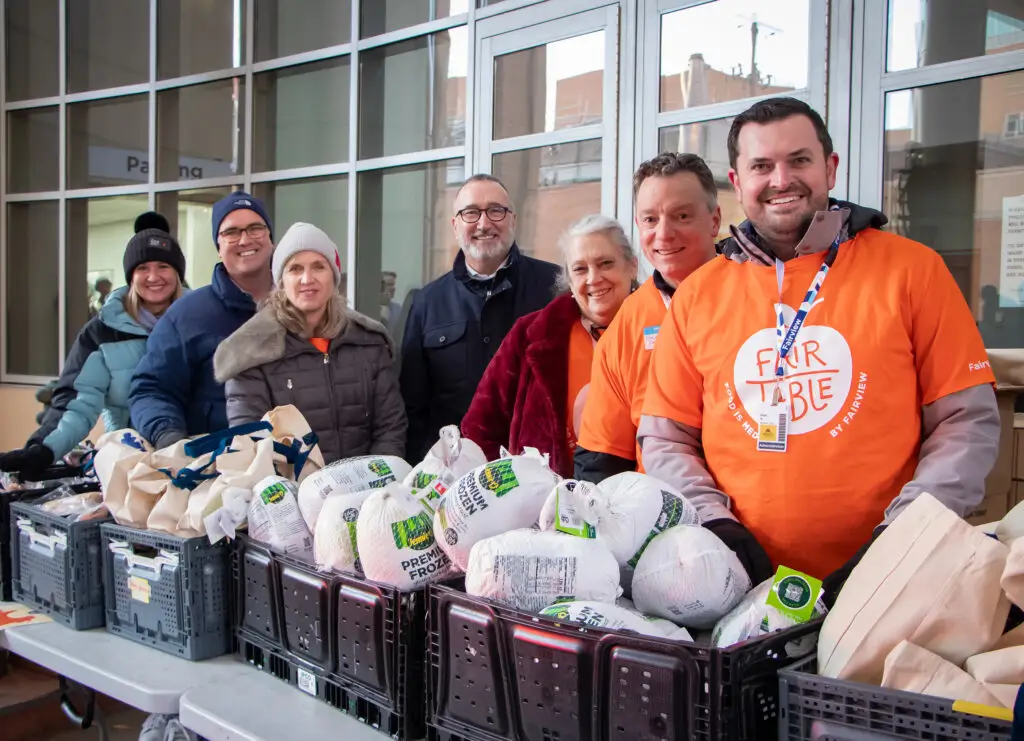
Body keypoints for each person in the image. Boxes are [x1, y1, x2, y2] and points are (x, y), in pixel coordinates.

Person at [638, 97, 999, 603]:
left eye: (799, 160)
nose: (781, 179)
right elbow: (665, 439)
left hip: (889, 584)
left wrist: (906, 534)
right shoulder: (699, 293)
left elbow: (965, 421)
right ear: (738, 183)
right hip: (736, 587)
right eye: (762, 166)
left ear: (829, 168)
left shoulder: (912, 271)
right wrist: (717, 528)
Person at [0, 215, 186, 474]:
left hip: (193, 457)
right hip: (129, 462)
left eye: (163, 266)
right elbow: (78, 402)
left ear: (177, 273)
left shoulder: (199, 320)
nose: (153, 276)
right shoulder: (102, 331)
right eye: (143, 267)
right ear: (131, 275)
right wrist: (43, 450)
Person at [574, 154, 720, 482]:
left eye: (682, 216)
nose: (664, 234)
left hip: (754, 515)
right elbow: (601, 458)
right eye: (651, 219)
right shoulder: (629, 322)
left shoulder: (759, 294)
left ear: (714, 220)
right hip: (666, 517)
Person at [462, 215, 638, 477]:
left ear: (632, 266)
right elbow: (480, 428)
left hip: (641, 503)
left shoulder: (662, 328)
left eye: (606, 263)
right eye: (579, 269)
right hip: (545, 509)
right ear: (568, 278)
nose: (593, 278)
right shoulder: (530, 334)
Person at [400, 174, 560, 461]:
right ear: (455, 225)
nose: (484, 223)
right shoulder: (427, 303)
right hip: (454, 472)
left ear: (513, 220)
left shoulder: (554, 288)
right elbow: (414, 406)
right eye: (471, 212)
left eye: (496, 210)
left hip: (537, 469)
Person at [214, 223, 406, 462]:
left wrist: (374, 481)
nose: (307, 279)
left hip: (367, 489)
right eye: (295, 269)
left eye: (318, 267)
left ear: (333, 276)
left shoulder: (367, 341)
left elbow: (390, 427)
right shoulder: (250, 351)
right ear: (281, 280)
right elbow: (252, 446)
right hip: (291, 492)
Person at [129, 191, 275, 448]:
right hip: (216, 469)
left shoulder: (302, 308)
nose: (244, 239)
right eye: (231, 232)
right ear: (218, 247)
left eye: (256, 228)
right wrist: (170, 438)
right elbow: (151, 389)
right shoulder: (187, 316)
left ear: (271, 239)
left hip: (302, 461)